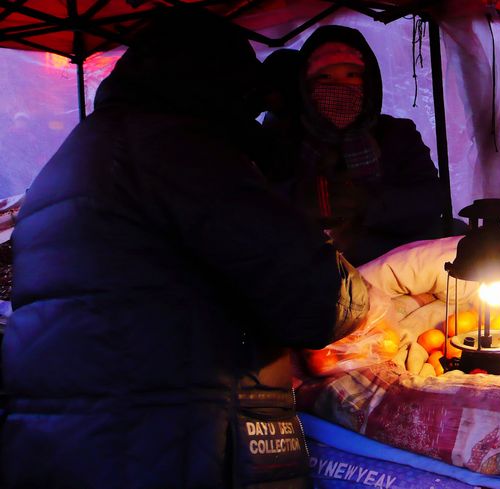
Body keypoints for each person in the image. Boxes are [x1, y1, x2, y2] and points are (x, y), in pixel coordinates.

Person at [0, 9, 363, 489]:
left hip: (64, 451)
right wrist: (359, 291)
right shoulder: (182, 150)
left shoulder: (80, 154)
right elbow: (318, 301)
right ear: (217, 82)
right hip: (173, 452)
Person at [261, 26, 449, 266]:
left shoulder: (396, 134)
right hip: (306, 266)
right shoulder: (287, 139)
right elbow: (258, 203)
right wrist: (304, 198)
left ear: (367, 82)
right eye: (325, 77)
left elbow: (431, 199)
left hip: (386, 263)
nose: (339, 87)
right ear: (306, 87)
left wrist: (368, 203)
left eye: (351, 76)